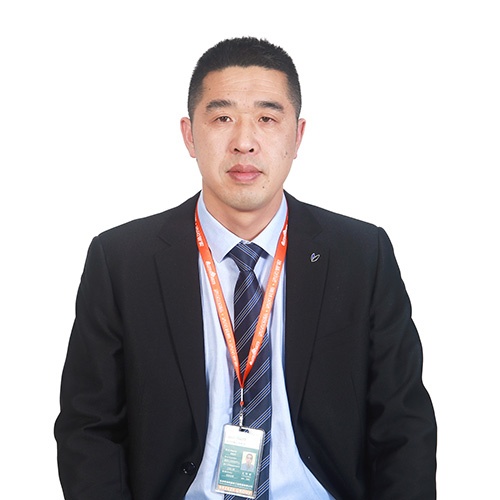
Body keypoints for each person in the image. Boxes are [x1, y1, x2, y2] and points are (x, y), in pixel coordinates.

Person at [54, 37, 437, 500]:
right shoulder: (121, 261)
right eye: (222, 118)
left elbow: (403, 425)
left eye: (266, 119)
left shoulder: (361, 256)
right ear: (189, 135)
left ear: (297, 136)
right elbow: (88, 428)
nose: (244, 142)